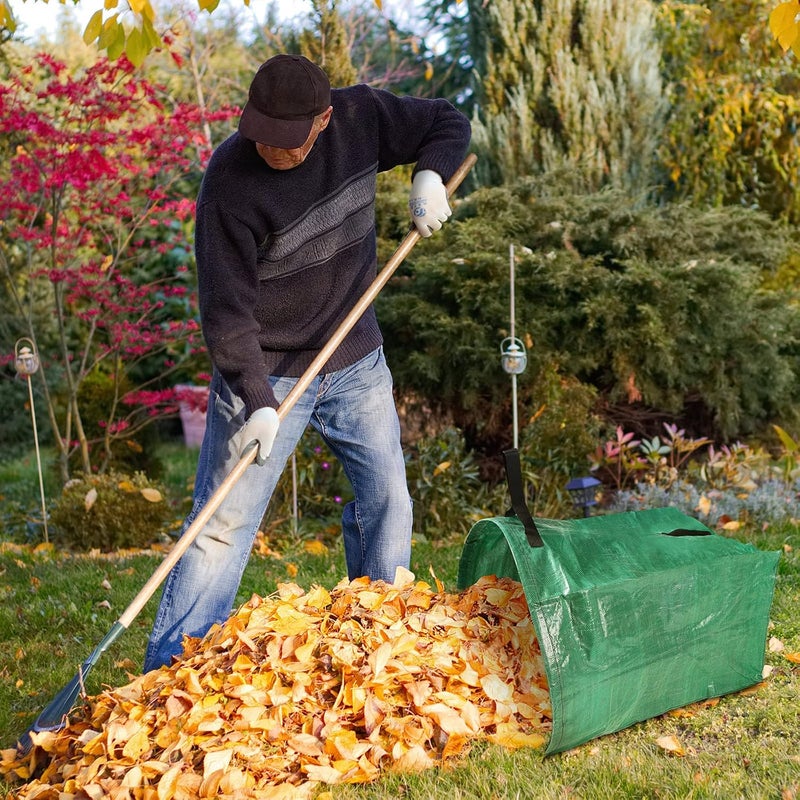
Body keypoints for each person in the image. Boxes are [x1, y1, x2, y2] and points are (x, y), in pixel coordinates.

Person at [144, 54, 471, 672]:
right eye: (262, 134)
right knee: (220, 526)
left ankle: (381, 643)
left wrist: (429, 177)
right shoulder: (230, 180)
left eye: (287, 138)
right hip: (266, 371)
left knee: (388, 501)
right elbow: (226, 312)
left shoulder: (362, 117)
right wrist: (255, 399)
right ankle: (167, 676)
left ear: (324, 120)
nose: (271, 148)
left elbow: (446, 121)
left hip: (355, 358)